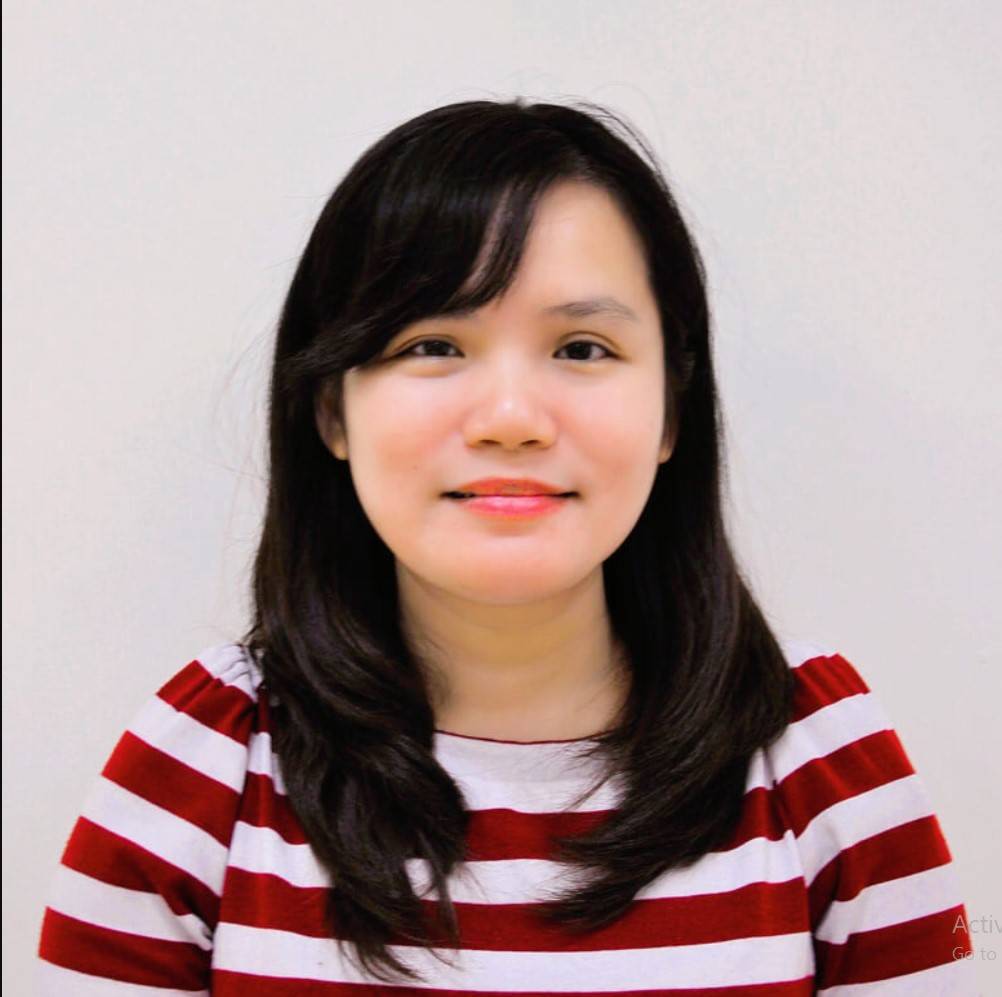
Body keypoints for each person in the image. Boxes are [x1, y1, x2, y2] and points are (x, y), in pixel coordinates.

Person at [36, 98, 977, 994]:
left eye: (582, 348)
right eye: (432, 344)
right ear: (332, 410)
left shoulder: (820, 761)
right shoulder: (202, 770)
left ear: (670, 412)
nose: (513, 417)